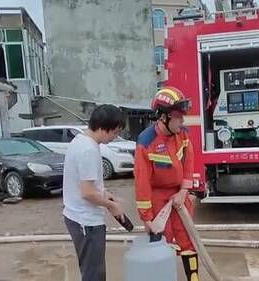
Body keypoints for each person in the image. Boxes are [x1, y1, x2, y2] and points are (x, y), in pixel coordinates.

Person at [134, 87, 198, 281]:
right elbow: (142, 182)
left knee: (188, 240)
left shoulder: (183, 134)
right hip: (158, 199)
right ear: (163, 118)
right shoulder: (146, 142)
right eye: (178, 117)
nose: (182, 121)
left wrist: (184, 191)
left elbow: (189, 162)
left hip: (179, 195)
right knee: (162, 244)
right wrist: (147, 219)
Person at [63, 104, 126, 281]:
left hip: (76, 217)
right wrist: (112, 206)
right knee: (94, 275)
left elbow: (86, 183)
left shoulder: (80, 141)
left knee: (91, 271)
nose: (116, 136)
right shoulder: (88, 149)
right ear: (102, 128)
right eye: (115, 132)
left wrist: (104, 193)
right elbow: (87, 193)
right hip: (86, 223)